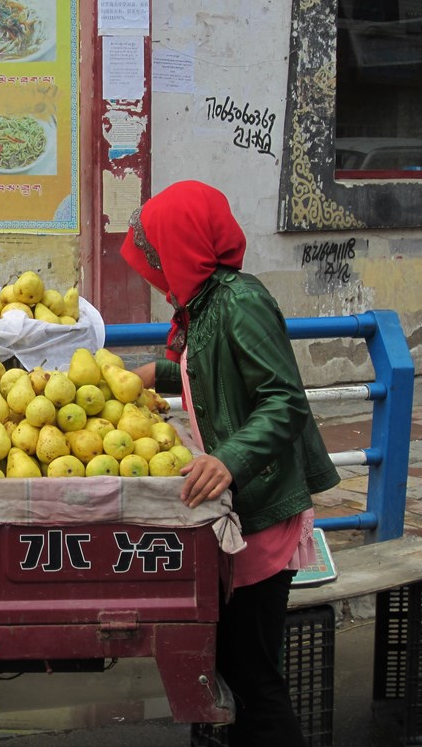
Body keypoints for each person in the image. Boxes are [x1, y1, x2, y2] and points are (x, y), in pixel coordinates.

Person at [120, 180, 339, 747]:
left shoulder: (241, 301)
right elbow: (210, 367)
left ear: (183, 244)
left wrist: (230, 459)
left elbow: (284, 399)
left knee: (254, 678)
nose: (154, 267)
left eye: (157, 253)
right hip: (242, 509)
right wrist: (153, 373)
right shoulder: (206, 304)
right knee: (231, 672)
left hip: (264, 510)